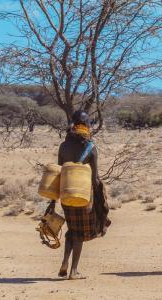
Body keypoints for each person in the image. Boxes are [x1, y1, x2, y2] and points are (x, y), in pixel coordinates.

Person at [45, 110, 111, 280]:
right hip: (82, 195)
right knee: (80, 234)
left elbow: (58, 174)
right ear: (87, 126)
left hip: (66, 195)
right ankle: (73, 271)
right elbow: (95, 179)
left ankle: (64, 263)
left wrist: (53, 202)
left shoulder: (63, 146)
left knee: (72, 230)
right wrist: (100, 198)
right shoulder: (90, 147)